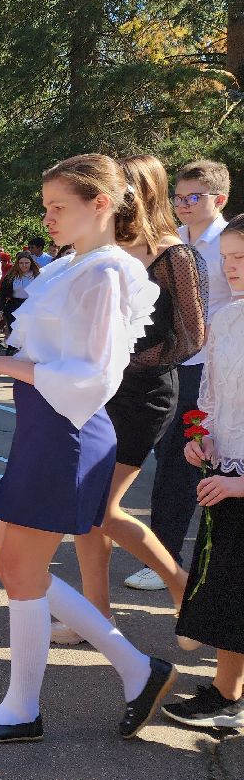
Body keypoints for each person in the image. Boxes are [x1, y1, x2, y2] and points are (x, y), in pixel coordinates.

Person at [0, 154, 175, 744]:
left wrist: (3, 364)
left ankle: (23, 706)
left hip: (68, 431)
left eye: (59, 206)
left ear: (101, 205)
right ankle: (135, 669)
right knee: (13, 564)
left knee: (19, 568)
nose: (48, 217)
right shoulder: (73, 266)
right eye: (46, 206)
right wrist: (3, 367)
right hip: (46, 429)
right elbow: (55, 360)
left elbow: (95, 374)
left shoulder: (104, 273)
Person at [57, 155, 206, 642]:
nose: (115, 194)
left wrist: (119, 364)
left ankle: (183, 588)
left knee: (99, 508)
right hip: (93, 395)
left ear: (142, 192)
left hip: (143, 397)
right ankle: (96, 617)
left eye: (124, 186)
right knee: (85, 514)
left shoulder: (173, 255)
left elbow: (192, 337)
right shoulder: (103, 251)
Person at [132, 159, 232, 592]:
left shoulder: (229, 242)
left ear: (219, 199)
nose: (183, 205)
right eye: (178, 197)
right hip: (176, 364)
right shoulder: (171, 242)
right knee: (173, 461)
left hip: (214, 372)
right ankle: (170, 556)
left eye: (194, 197)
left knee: (185, 463)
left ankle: (167, 560)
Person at [166, 214, 244, 728]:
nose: (230, 269)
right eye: (226, 259)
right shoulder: (229, 319)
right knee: (227, 589)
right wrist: (202, 436)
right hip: (226, 471)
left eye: (242, 259)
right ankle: (226, 691)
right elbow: (213, 394)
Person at [0, 251, 40, 348]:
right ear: (17, 264)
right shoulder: (11, 277)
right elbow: (2, 294)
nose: (24, 265)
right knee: (14, 331)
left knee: (28, 332)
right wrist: (0, 310)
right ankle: (12, 350)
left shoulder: (38, 276)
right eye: (21, 263)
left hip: (31, 306)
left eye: (26, 263)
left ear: (31, 263)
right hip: (14, 306)